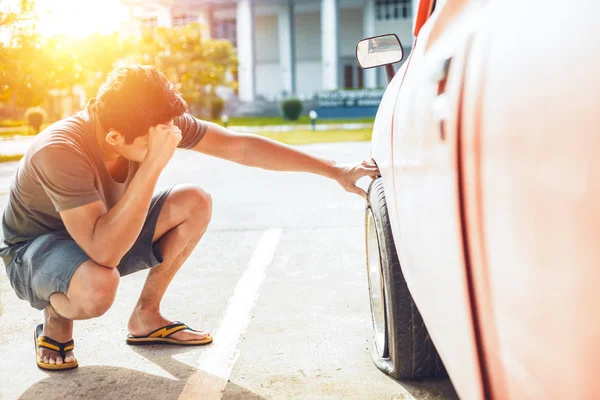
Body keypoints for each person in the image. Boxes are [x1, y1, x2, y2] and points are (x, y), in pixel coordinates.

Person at [0, 65, 380, 371]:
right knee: (99, 287)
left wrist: (334, 170)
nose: (169, 138)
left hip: (99, 230)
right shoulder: (60, 150)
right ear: (115, 137)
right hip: (34, 250)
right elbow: (106, 252)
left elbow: (239, 146)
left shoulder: (150, 122)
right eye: (158, 139)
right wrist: (153, 164)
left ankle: (146, 317)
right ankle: (55, 318)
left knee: (194, 201)